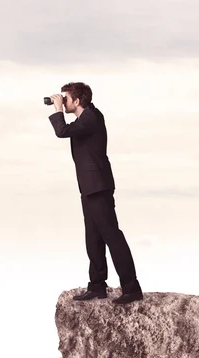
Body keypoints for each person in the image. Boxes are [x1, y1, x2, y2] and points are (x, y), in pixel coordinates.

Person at [47, 82, 143, 305]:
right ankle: (97, 285)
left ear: (77, 101)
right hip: (89, 187)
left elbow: (62, 131)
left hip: (98, 186)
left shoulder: (91, 117)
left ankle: (132, 287)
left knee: (112, 236)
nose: (63, 101)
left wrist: (58, 110)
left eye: (66, 98)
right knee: (93, 237)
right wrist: (62, 107)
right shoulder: (85, 120)